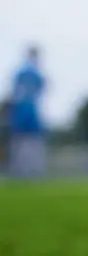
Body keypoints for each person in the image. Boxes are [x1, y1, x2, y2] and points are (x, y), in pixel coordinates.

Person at [8, 45, 47, 179]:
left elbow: (14, 92)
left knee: (19, 142)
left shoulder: (20, 72)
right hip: (29, 109)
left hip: (20, 110)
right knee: (32, 142)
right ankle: (33, 171)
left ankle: (19, 171)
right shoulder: (36, 73)